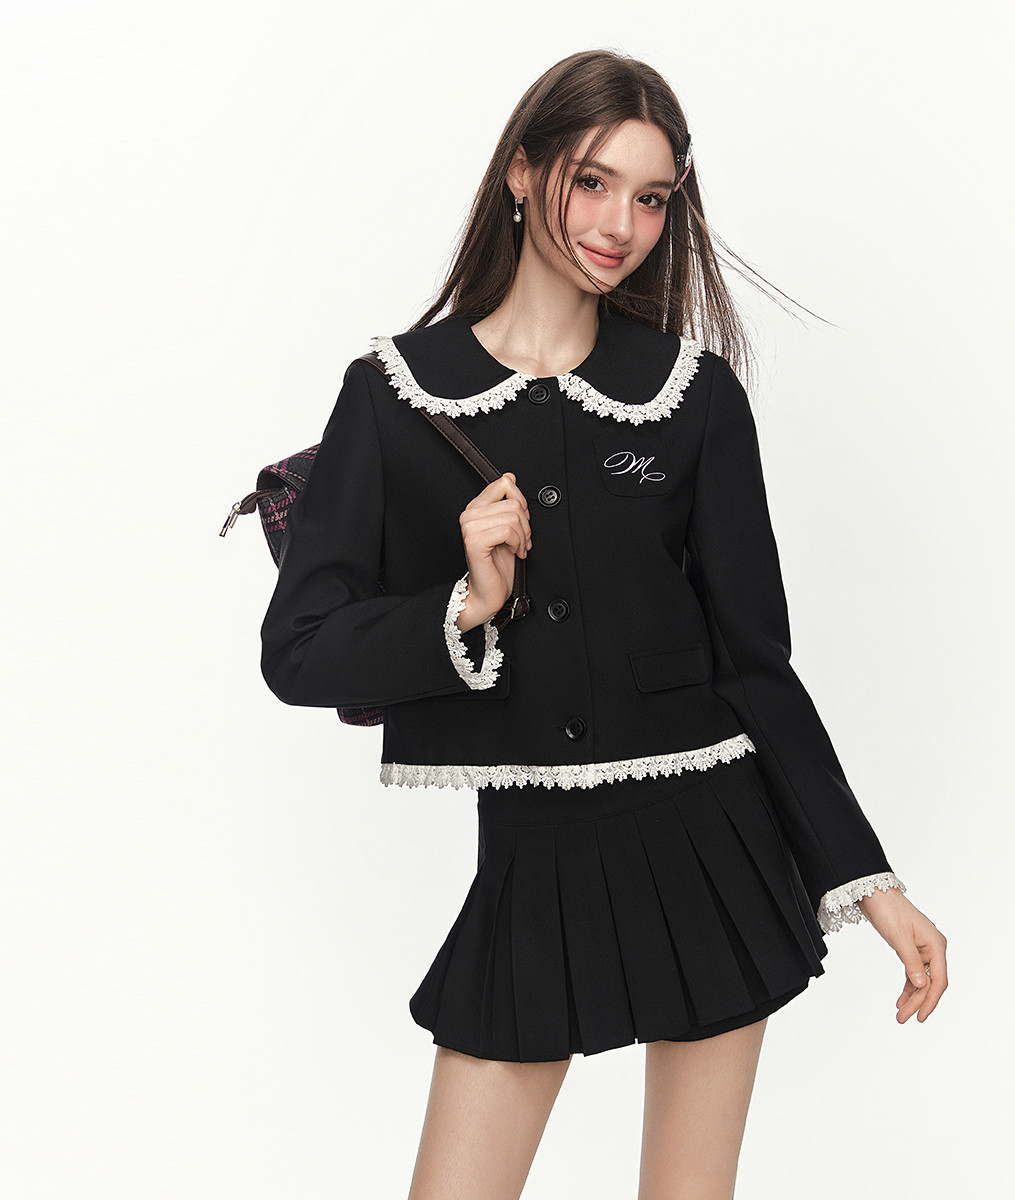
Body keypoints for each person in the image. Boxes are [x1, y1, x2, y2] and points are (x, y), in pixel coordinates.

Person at [259, 47, 948, 1200]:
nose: (621, 224)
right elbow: (298, 652)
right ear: (523, 173)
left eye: (652, 197)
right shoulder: (393, 395)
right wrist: (465, 605)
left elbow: (756, 667)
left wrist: (869, 882)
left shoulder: (692, 396)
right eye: (592, 181)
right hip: (531, 867)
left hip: (712, 851)